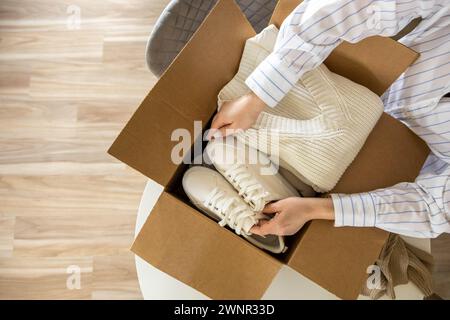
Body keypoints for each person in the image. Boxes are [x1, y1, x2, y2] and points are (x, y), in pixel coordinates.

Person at [209, 0, 450, 238]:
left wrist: (315, 209)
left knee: (319, 173)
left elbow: (436, 208)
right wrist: (257, 96)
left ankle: (297, 187)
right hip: (355, 86)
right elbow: (354, 6)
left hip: (393, 171)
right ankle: (296, 179)